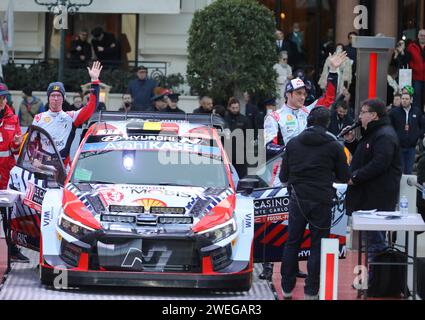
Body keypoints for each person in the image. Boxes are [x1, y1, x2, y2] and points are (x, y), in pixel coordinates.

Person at [279, 107, 350, 300]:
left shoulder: (293, 144)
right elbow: (345, 176)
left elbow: (283, 177)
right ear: (327, 124)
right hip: (322, 200)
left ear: (309, 121)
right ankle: (311, 291)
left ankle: (286, 288)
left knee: (292, 242)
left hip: (297, 200)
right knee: (318, 245)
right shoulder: (334, 145)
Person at [343, 99, 402, 282]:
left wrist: (356, 177)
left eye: (363, 112)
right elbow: (365, 156)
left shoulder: (384, 135)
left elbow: (379, 163)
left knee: (375, 243)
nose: (359, 116)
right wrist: (352, 142)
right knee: (370, 242)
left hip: (377, 200)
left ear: (374, 115)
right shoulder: (373, 133)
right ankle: (372, 278)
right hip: (368, 198)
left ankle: (376, 281)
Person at [264, 51, 347, 159]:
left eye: (304, 93)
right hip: (284, 168)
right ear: (288, 94)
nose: (303, 97)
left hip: (306, 166)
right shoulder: (274, 117)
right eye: (298, 93)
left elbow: (328, 99)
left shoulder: (309, 111)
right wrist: (288, 149)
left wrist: (333, 70)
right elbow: (268, 146)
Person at [32, 61, 103, 167]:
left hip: (63, 168)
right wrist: (33, 159)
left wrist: (95, 81)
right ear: (48, 98)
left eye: (59, 95)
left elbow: (91, 106)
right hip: (42, 167)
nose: (56, 98)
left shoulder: (71, 117)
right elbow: (31, 143)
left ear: (64, 98)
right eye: (53, 95)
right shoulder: (38, 118)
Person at [0, 83, 28, 263]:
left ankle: (12, 248)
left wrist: (18, 143)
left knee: (8, 213)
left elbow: (15, 149)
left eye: (3, 97)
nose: (2, 101)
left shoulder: (12, 118)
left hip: (6, 172)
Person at [389, 92, 425, 174]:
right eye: (403, 99)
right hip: (399, 146)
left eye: (406, 99)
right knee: (399, 170)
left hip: (411, 147)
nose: (404, 101)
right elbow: (389, 126)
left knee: (409, 171)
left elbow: (422, 125)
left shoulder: (417, 111)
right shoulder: (394, 112)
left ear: (411, 100)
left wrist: (418, 135)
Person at [223, 97, 251, 179]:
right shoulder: (224, 120)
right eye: (233, 108)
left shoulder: (244, 119)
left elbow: (249, 136)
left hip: (240, 154)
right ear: (229, 108)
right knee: (228, 175)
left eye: (237, 108)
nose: (235, 110)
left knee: (241, 176)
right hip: (228, 153)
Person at [406, 29, 425, 112]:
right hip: (416, 77)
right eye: (421, 35)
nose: (423, 37)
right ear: (418, 36)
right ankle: (417, 117)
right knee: (417, 99)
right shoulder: (411, 46)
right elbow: (406, 60)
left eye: (424, 35)